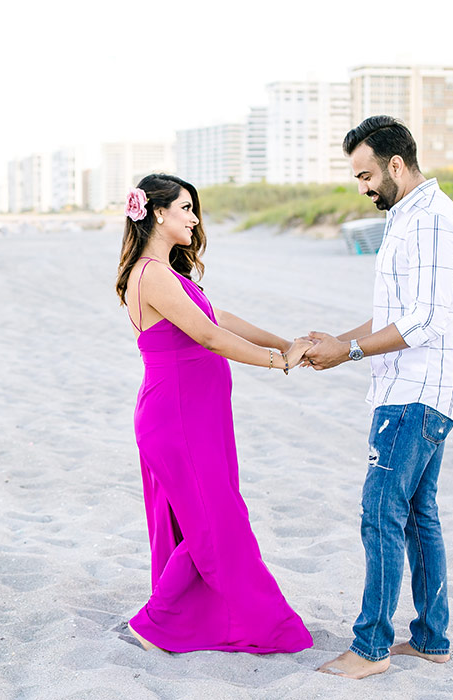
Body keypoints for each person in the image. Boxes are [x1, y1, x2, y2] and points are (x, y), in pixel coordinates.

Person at [305, 116, 453, 679]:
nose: (363, 187)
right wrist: (339, 340)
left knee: (381, 511)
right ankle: (430, 637)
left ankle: (370, 647)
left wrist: (351, 354)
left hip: (415, 394)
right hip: (417, 391)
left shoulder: (431, 221)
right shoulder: (410, 217)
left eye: (367, 175)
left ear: (396, 164)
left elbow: (425, 320)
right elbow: (394, 316)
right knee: (417, 515)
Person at [115, 173, 314, 654]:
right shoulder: (152, 274)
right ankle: (156, 623)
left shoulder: (170, 274)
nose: (194, 218)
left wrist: (283, 342)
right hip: (179, 419)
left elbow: (218, 318)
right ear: (157, 213)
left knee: (205, 517)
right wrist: (275, 363)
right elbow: (207, 336)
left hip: (196, 417)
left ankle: (184, 620)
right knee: (215, 519)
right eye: (185, 208)